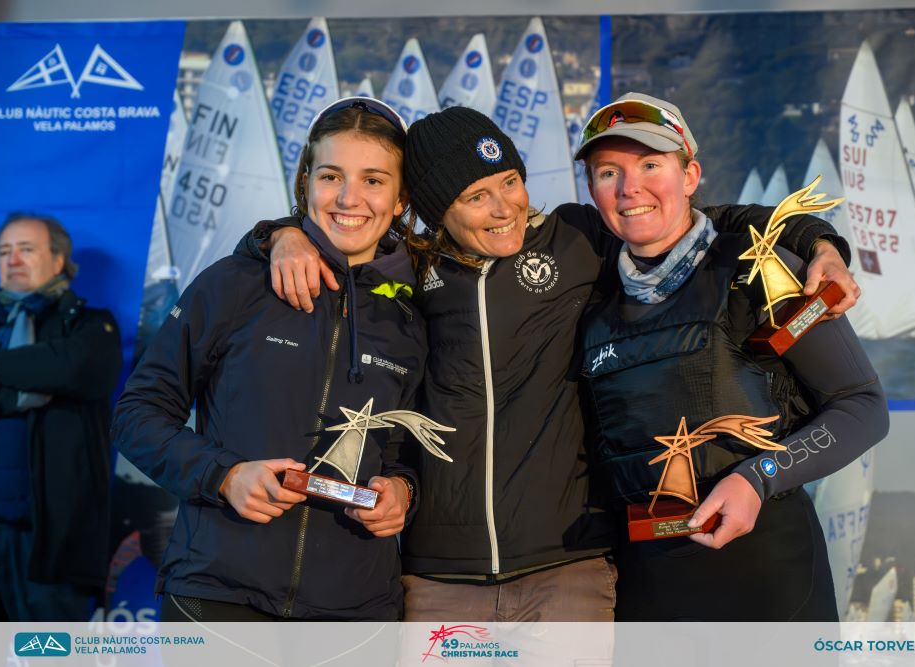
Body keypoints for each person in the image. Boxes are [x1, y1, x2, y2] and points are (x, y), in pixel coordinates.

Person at [239, 105, 859, 622]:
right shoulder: (410, 270)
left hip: (569, 567)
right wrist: (278, 234)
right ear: (434, 211)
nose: (504, 207)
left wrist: (818, 242)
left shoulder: (577, 238)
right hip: (440, 575)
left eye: (510, 181)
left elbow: (701, 220)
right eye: (476, 196)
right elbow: (345, 233)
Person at [574, 93, 889, 621]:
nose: (629, 188)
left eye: (650, 165)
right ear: (592, 190)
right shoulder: (590, 297)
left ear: (690, 175)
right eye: (608, 172)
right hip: (648, 590)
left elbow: (863, 406)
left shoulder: (760, 270)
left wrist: (758, 477)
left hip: (769, 579)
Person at [111, 97, 426, 621]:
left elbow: (405, 452)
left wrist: (402, 491)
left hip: (356, 612)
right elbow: (136, 415)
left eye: (373, 180)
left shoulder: (411, 318)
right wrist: (223, 476)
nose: (349, 198)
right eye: (330, 176)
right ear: (305, 182)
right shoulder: (235, 284)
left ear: (400, 199)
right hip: (219, 596)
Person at [0, 213, 121, 621]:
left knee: (48, 652)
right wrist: (30, 385)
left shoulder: (90, 325)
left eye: (26, 249)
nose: (13, 259)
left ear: (58, 260)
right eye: (4, 251)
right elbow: (53, 371)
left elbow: (76, 369)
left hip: (49, 547)